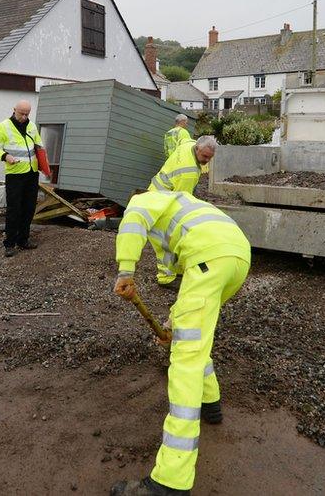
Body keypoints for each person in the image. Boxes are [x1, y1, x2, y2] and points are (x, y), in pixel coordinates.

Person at [111, 190, 251, 496]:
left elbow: (132, 223)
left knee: (185, 360)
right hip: (237, 258)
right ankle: (210, 404)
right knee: (194, 338)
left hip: (209, 258)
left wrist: (126, 270)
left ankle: (170, 480)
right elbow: (189, 291)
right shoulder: (182, 209)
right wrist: (172, 325)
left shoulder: (142, 201)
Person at [148, 135, 217, 286]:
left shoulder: (189, 143)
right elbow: (181, 203)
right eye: (205, 156)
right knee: (168, 239)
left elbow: (182, 140)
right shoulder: (188, 173)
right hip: (161, 201)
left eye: (210, 158)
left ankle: (177, 270)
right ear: (197, 148)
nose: (207, 161)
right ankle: (166, 278)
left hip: (157, 191)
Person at [0, 100, 43, 257]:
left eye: (27, 114)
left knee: (29, 208)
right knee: (14, 210)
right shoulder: (3, 126)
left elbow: (38, 146)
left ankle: (23, 240)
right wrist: (5, 156)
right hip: (15, 175)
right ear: (14, 110)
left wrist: (44, 163)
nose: (24, 117)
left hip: (32, 173)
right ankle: (10, 243)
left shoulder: (31, 126)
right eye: (21, 113)